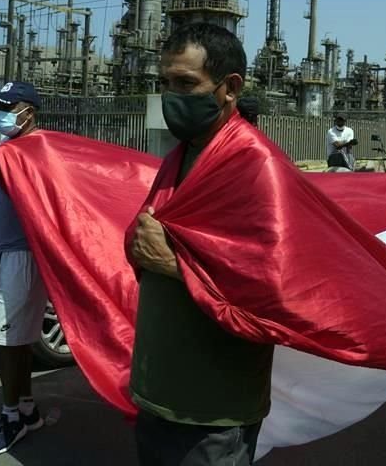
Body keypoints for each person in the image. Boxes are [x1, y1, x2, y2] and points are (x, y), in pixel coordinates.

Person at [127, 23, 273, 466]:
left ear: (229, 88)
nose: (172, 96)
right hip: (159, 392)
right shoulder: (182, 155)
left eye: (186, 84)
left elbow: (272, 286)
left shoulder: (254, 167)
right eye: (166, 82)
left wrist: (174, 264)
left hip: (211, 410)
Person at [0, 81, 49, 458]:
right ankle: (26, 408)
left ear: (28, 112)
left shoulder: (36, 151)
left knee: (8, 341)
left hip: (21, 257)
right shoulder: (8, 148)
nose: (0, 114)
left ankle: (11, 418)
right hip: (0, 253)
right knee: (15, 339)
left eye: (7, 107)